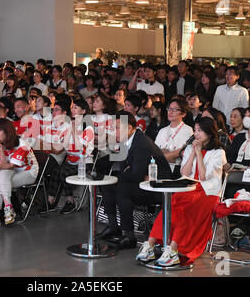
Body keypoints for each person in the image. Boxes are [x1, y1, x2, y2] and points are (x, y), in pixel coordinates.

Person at [136, 117, 227, 266]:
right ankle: (150, 245)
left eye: (200, 131)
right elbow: (184, 173)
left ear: (210, 133)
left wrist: (199, 154)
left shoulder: (218, 152)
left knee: (185, 208)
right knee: (171, 205)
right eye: (195, 130)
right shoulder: (190, 148)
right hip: (189, 186)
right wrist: (192, 153)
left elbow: (203, 177)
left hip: (207, 191)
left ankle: (173, 249)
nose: (196, 134)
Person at [96, 112, 173, 250]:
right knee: (108, 184)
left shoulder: (140, 143)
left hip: (158, 188)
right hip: (144, 183)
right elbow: (127, 169)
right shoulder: (128, 141)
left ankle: (129, 236)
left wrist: (126, 173)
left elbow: (136, 175)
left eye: (118, 128)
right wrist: (126, 172)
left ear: (130, 127)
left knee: (121, 188)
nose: (114, 132)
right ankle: (113, 227)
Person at [0, 118, 38, 228]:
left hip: (29, 172)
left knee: (0, 181)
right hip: (11, 172)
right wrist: (0, 148)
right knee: (2, 176)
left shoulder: (22, 144)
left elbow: (10, 165)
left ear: (6, 131)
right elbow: (3, 165)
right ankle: (8, 208)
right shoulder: (0, 144)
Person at [46, 99, 94, 214]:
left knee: (64, 172)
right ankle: (50, 200)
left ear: (83, 111)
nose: (72, 110)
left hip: (84, 162)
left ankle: (70, 201)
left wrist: (73, 131)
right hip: (71, 161)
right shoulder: (69, 125)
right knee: (56, 170)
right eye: (72, 107)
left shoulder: (88, 128)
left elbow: (80, 147)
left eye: (76, 108)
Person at [154, 98, 193, 174]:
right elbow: (155, 152)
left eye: (174, 109)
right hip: (160, 168)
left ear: (183, 114)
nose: (170, 112)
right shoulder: (162, 130)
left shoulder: (188, 130)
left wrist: (165, 154)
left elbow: (182, 153)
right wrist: (170, 155)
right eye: (169, 109)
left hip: (177, 170)